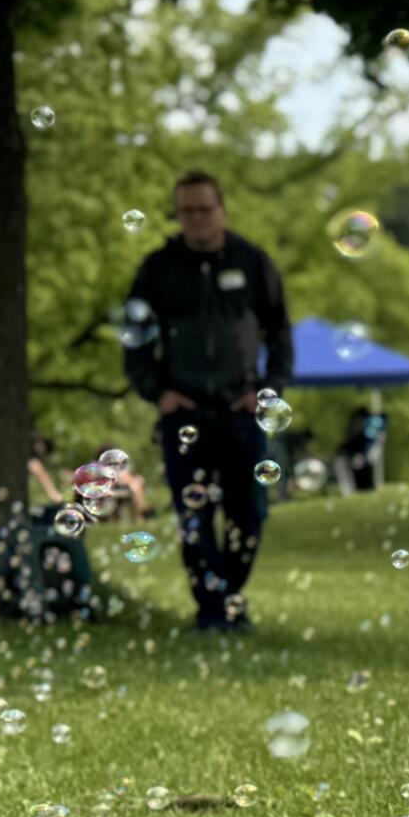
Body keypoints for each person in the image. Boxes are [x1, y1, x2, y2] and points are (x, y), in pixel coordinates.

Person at [121, 171, 293, 630]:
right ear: (177, 215)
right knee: (194, 517)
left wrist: (268, 390)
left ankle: (229, 595)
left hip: (241, 410)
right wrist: (158, 393)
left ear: (222, 210)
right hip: (186, 413)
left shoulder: (253, 262)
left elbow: (279, 333)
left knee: (250, 515)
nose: (196, 218)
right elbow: (134, 337)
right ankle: (212, 611)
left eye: (205, 208)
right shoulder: (158, 268)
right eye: (187, 210)